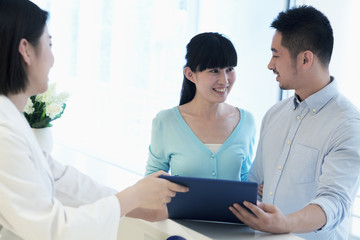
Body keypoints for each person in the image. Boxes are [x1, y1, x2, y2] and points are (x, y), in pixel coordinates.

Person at [0, 0, 188, 239]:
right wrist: (132, 198)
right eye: (49, 44)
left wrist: (135, 204)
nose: (53, 59)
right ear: (25, 50)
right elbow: (51, 228)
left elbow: (60, 179)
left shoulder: (11, 119)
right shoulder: (4, 130)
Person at [229, 5, 360, 240]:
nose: (270, 65)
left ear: (305, 59)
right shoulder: (274, 114)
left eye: (276, 55)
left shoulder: (348, 125)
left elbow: (334, 202)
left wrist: (284, 223)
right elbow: (255, 182)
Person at [145, 32, 256, 181]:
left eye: (230, 69)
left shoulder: (246, 121)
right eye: (214, 71)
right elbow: (151, 182)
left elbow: (244, 179)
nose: (224, 80)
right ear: (190, 74)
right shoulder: (165, 121)